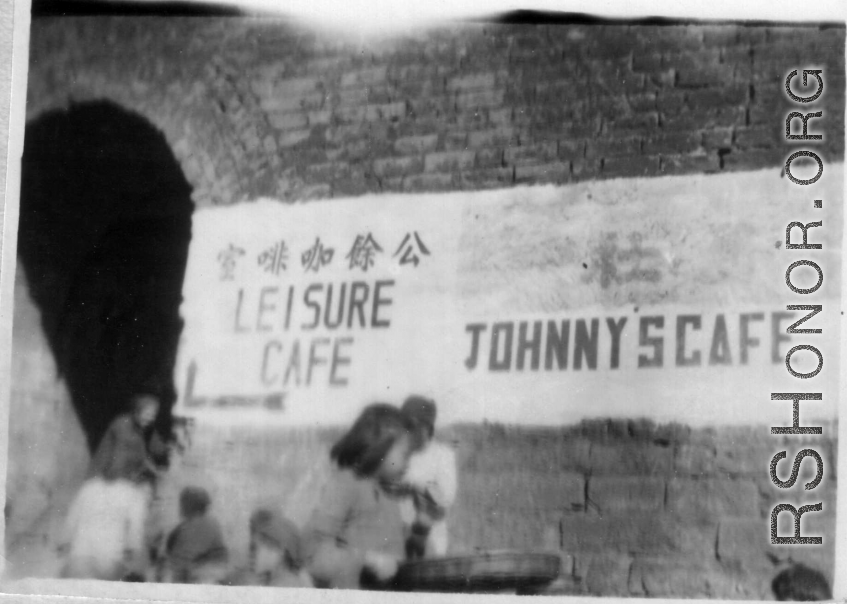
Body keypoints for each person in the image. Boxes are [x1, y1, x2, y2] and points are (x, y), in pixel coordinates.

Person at [301, 403, 416, 589]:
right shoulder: (346, 483)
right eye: (405, 454)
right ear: (381, 446)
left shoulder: (387, 494)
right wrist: (366, 560)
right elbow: (312, 552)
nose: (409, 462)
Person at [398, 396, 458, 559]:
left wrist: (418, 486)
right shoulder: (399, 454)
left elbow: (446, 498)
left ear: (426, 426)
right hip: (399, 536)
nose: (407, 431)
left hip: (431, 537)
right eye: (404, 425)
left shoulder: (443, 455)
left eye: (412, 425)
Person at [59, 472, 147, 580]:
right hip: (110, 558)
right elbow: (135, 530)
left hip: (82, 555)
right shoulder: (134, 493)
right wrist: (133, 548)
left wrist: (64, 541)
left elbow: (72, 518)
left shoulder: (88, 487)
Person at [160, 486, 229, 584]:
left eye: (183, 503)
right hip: (199, 574)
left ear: (190, 505)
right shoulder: (191, 524)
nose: (180, 507)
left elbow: (183, 560)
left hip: (205, 577)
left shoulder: (201, 524)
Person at [227, 508, 312, 587]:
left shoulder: (288, 586)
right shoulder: (271, 582)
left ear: (280, 552)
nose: (252, 555)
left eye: (256, 549)